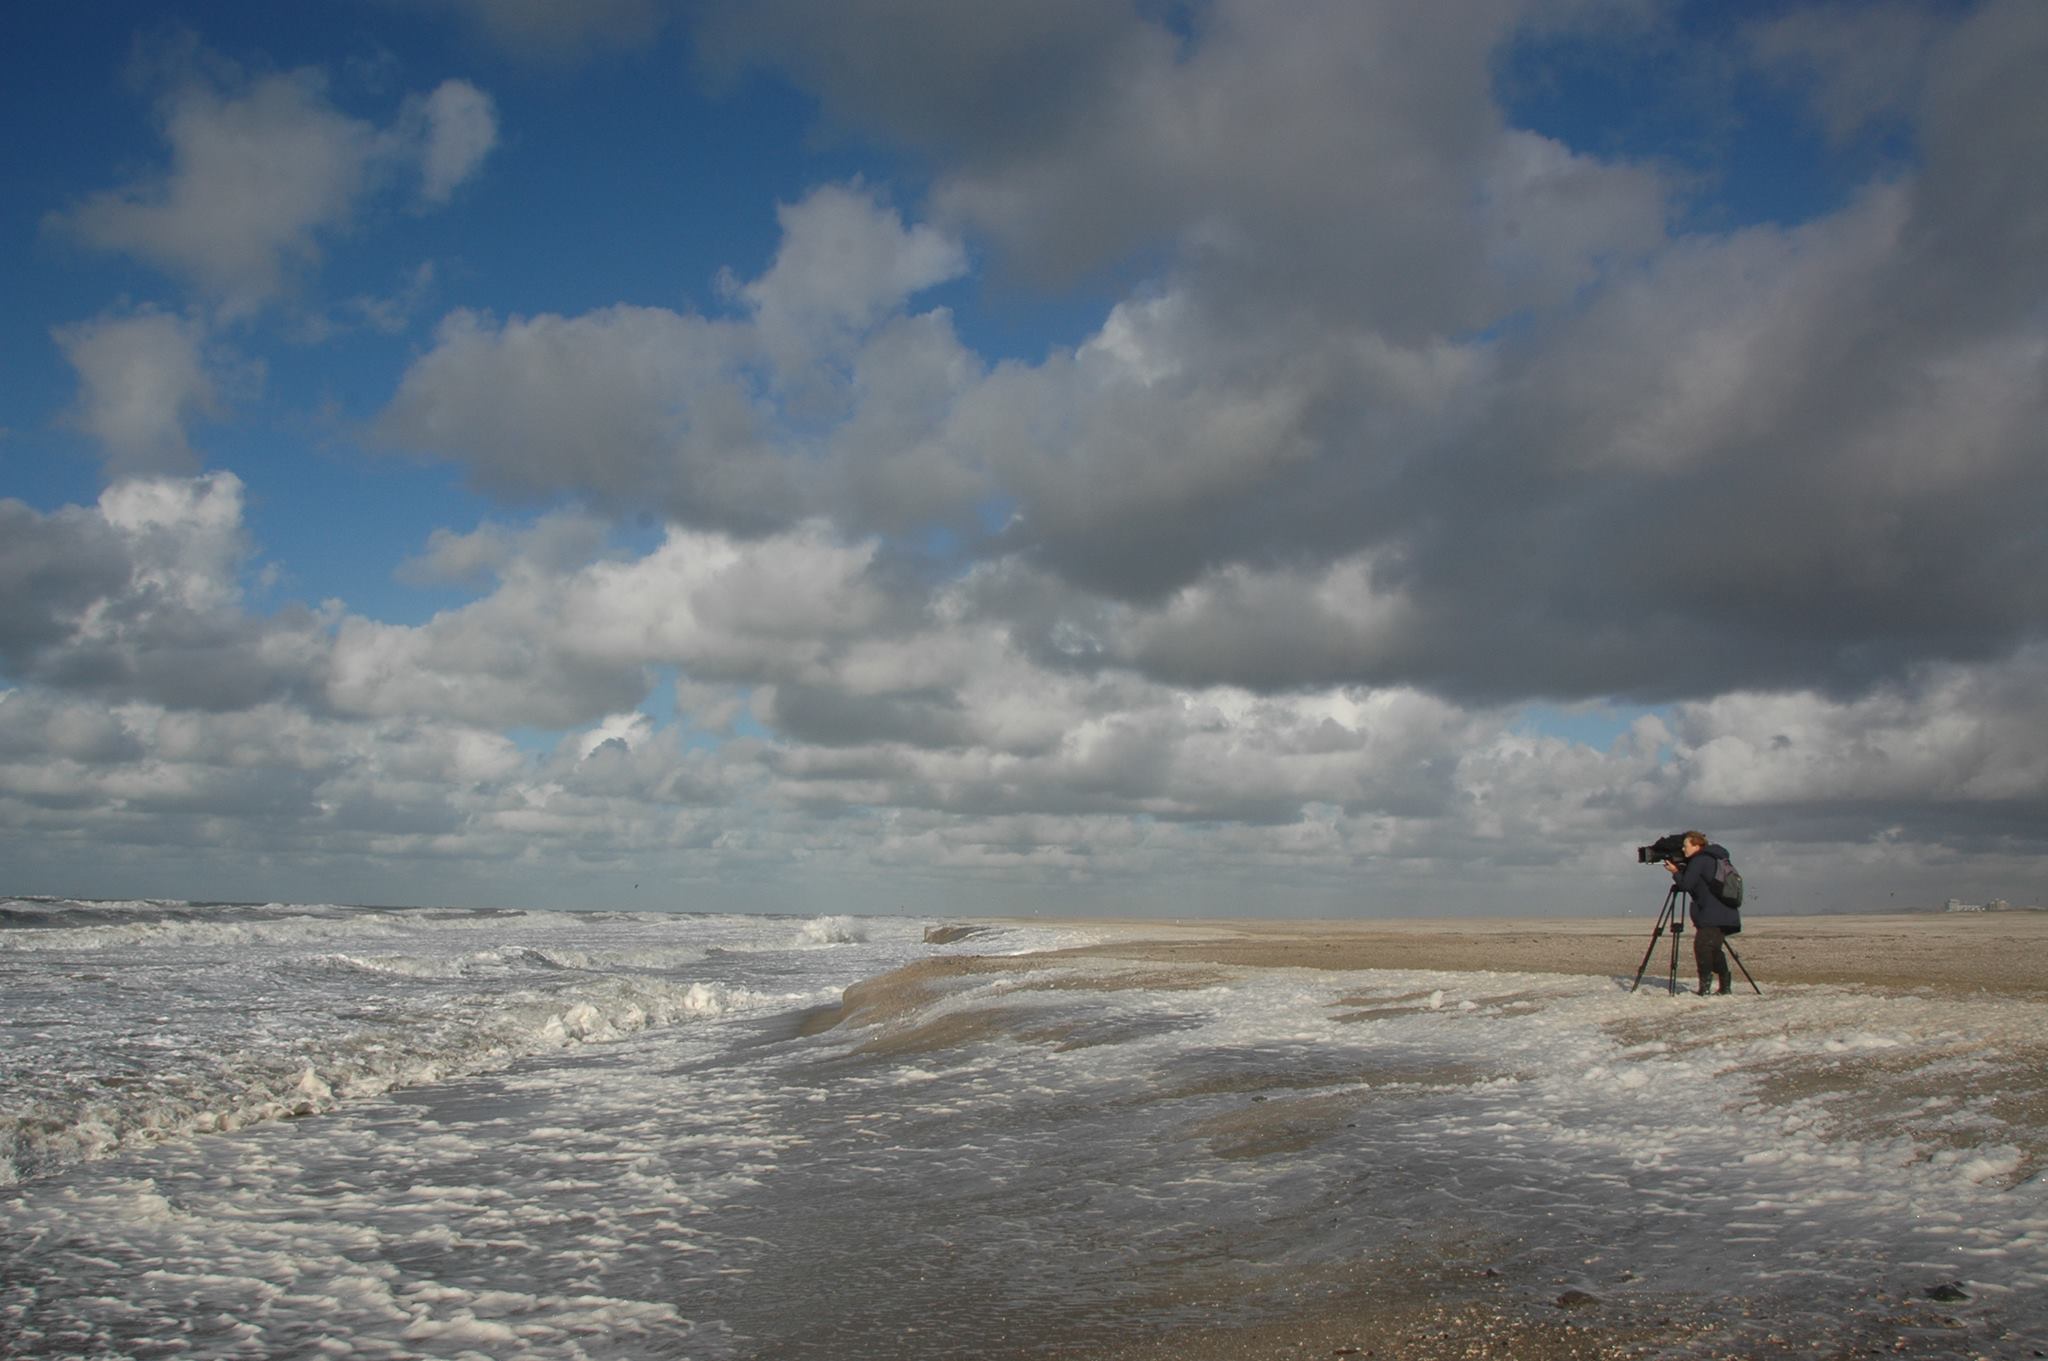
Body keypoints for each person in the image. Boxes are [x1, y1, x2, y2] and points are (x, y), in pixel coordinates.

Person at [1665, 831, 1740, 995]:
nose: (1683, 849)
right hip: (1725, 913)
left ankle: (1705, 987)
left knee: (1702, 948)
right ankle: (1724, 986)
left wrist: (1675, 872)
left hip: (1712, 914)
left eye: (1685, 846)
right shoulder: (1715, 858)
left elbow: (1686, 885)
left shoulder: (1700, 860)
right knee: (1713, 949)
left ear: (1697, 845)